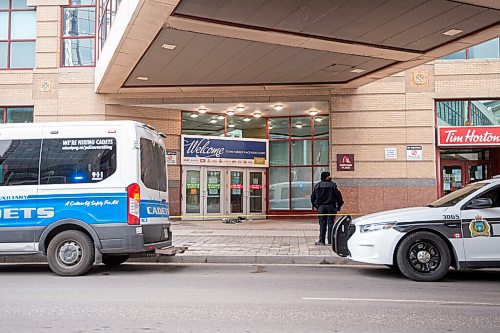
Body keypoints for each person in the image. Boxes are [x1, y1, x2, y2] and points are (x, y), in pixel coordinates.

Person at [311, 171, 344, 246]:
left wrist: (317, 206)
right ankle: (330, 241)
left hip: (321, 207)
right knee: (331, 224)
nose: (330, 177)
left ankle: (321, 241)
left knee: (322, 224)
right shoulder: (333, 185)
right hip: (331, 207)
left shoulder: (317, 186)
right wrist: (339, 206)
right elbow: (339, 197)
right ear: (326, 177)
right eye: (329, 176)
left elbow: (313, 198)